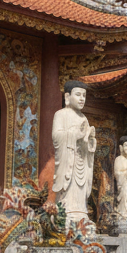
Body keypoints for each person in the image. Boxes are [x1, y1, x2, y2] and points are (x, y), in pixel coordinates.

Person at [52, 80, 97, 225]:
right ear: (67, 96)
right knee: (68, 188)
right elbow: (56, 136)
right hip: (68, 160)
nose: (82, 98)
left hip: (81, 160)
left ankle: (82, 214)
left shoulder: (84, 118)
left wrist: (89, 140)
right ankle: (66, 213)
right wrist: (74, 134)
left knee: (81, 188)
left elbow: (87, 145)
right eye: (78, 95)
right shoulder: (61, 114)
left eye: (84, 95)